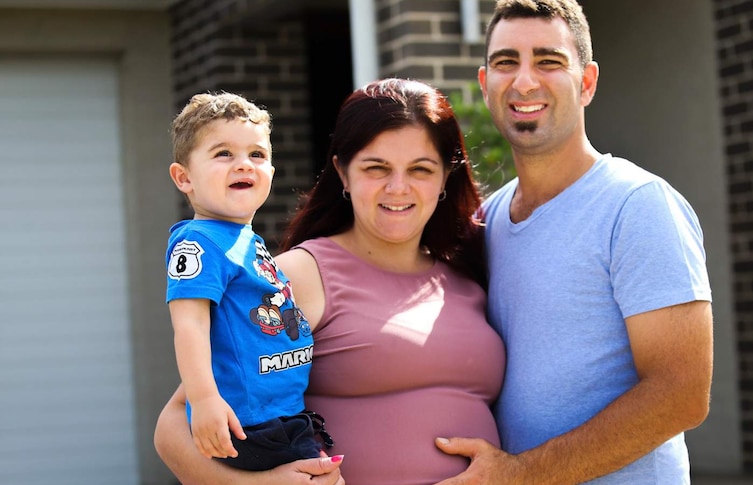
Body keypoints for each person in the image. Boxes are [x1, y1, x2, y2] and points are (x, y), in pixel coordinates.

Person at [154, 78, 506, 485]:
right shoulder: (297, 275)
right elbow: (175, 424)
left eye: (420, 169)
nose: (398, 187)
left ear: (446, 176)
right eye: (376, 168)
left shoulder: (469, 273)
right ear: (342, 172)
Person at [434, 1, 715, 484]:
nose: (524, 81)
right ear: (485, 85)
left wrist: (521, 474)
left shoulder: (638, 206)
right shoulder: (487, 220)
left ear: (586, 82)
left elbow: (682, 393)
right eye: (506, 63)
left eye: (548, 61)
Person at [164, 92, 335, 473]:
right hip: (245, 424)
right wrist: (205, 399)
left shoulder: (247, 241)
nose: (244, 164)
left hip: (283, 415)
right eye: (224, 154)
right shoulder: (197, 242)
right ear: (184, 177)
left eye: (257, 155)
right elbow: (189, 324)